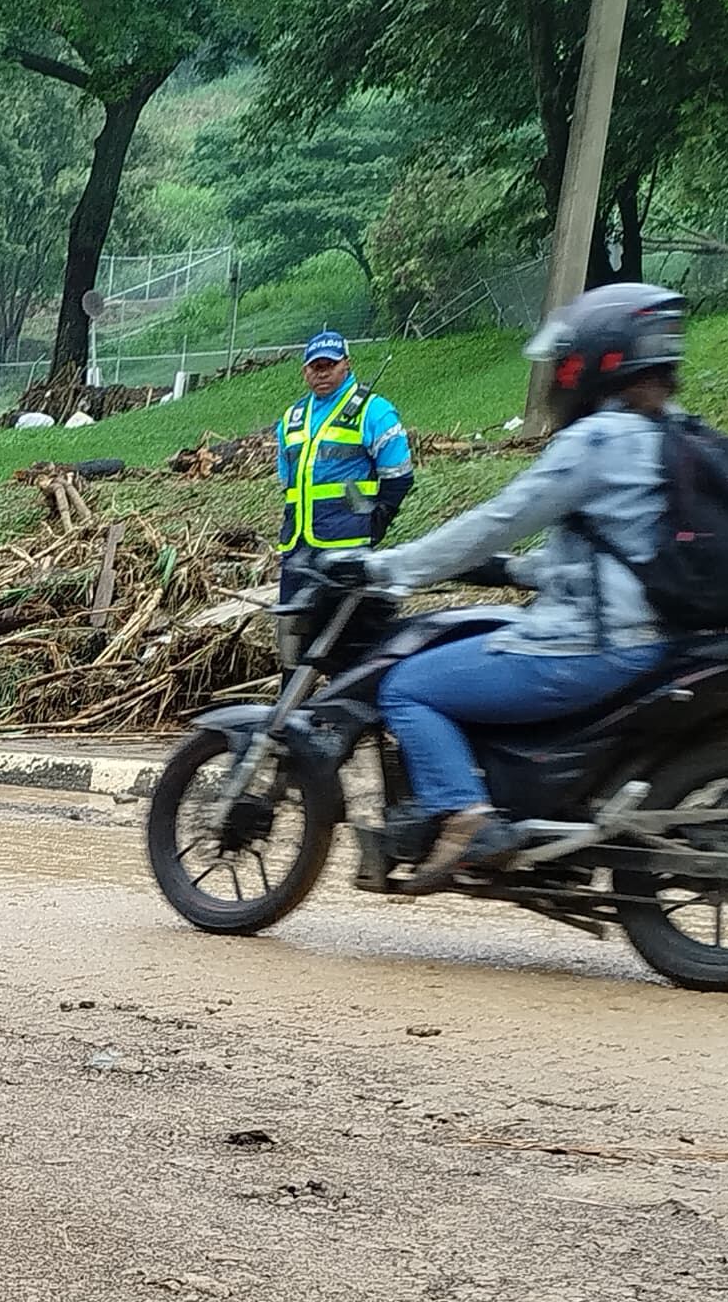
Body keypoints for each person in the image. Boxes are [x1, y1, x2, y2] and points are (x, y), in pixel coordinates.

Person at [339, 282, 689, 883]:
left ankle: (465, 816)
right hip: (659, 639)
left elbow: (497, 520)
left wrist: (386, 567)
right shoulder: (675, 433)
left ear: (594, 359)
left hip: (591, 647)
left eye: (563, 362)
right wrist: (515, 571)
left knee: (407, 687)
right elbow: (614, 551)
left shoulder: (598, 439)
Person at [271, 330, 414, 608]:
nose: (322, 373)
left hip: (346, 546)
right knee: (293, 631)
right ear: (305, 371)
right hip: (298, 548)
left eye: (330, 365)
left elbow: (399, 476)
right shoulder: (292, 418)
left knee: (343, 632)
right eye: (315, 366)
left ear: (346, 364)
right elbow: (286, 481)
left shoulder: (373, 411)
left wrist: (380, 518)